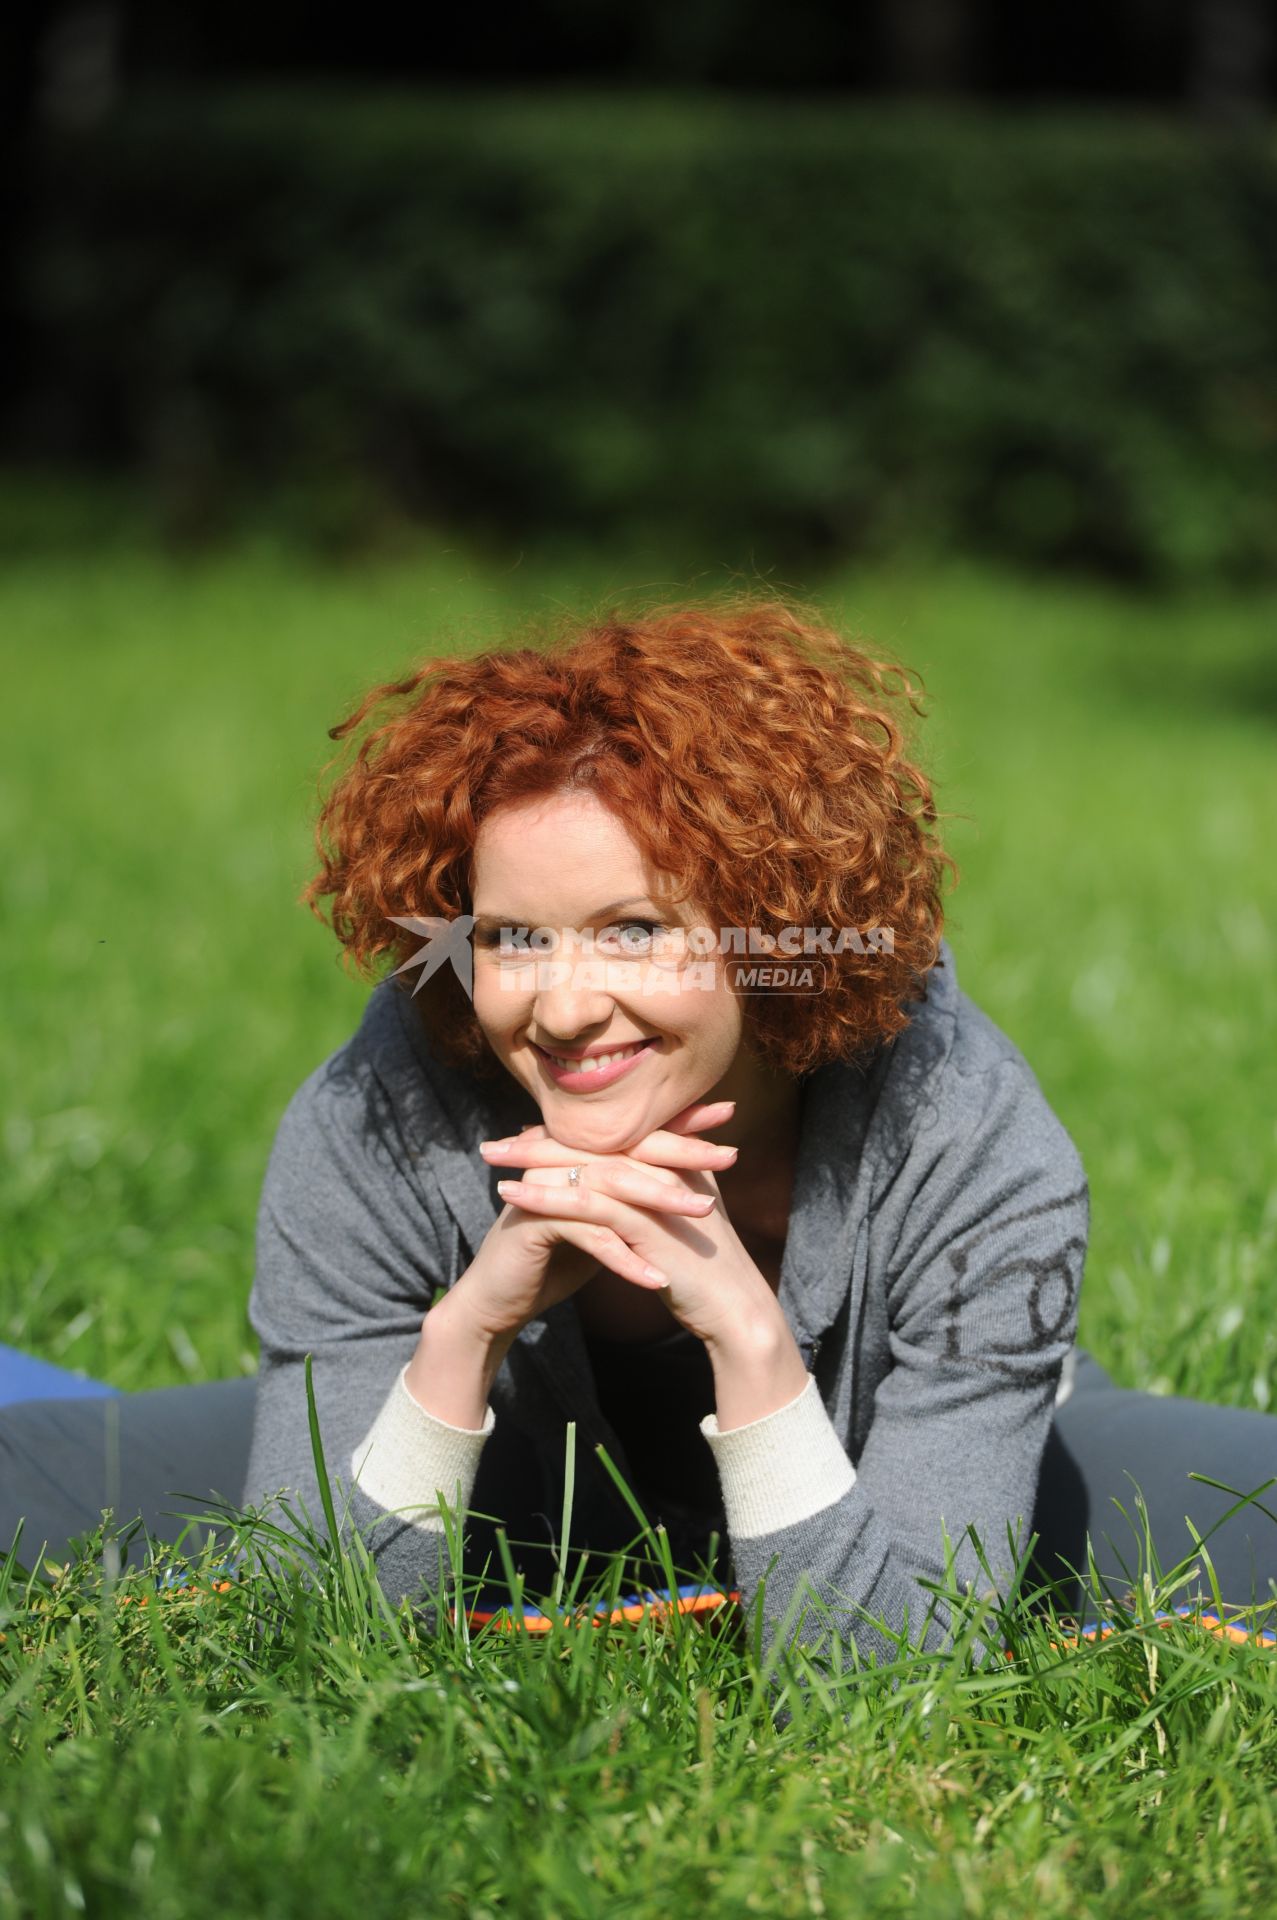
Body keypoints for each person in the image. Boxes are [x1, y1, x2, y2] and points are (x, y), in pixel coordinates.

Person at [3, 597, 1274, 1666]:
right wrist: (464, 1333)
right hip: (515, 1474)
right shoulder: (381, 1112)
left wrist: (750, 1341)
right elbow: (312, 1637)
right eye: (513, 937)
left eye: (634, 931)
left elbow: (887, 1683)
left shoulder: (963, 1129)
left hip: (896, 1461)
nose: (562, 1009)